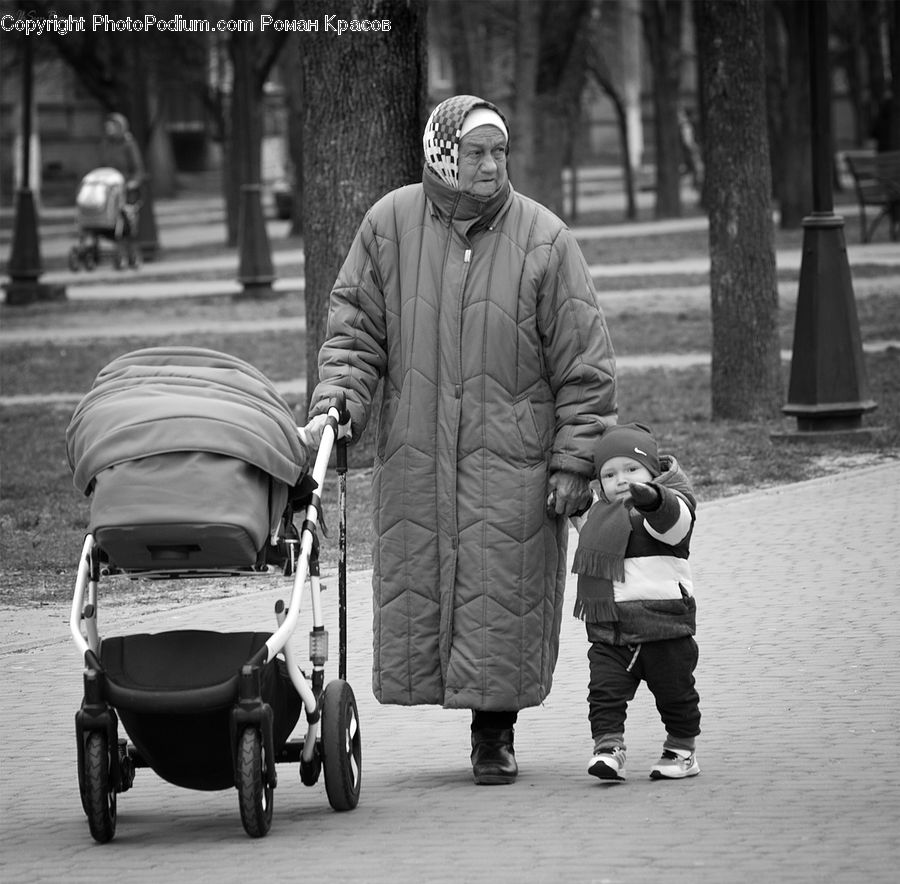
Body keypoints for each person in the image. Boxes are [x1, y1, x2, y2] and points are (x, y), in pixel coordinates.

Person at [302, 94, 617, 785]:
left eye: (499, 151)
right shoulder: (390, 224)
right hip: (418, 450)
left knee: (500, 590)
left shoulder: (545, 238)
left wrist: (573, 460)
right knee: (438, 585)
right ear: (442, 154)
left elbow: (584, 365)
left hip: (513, 458)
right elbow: (354, 331)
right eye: (475, 152)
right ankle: (456, 708)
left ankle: (493, 734)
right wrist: (339, 402)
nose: (490, 165)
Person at [570, 422, 701, 782]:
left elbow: (674, 523)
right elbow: (577, 516)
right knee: (603, 694)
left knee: (676, 695)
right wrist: (567, 499)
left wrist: (653, 500)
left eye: (631, 469)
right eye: (609, 474)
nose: (620, 479)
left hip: (664, 628)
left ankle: (681, 749)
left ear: (652, 472)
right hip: (611, 632)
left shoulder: (669, 508)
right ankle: (608, 749)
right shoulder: (598, 517)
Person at [100, 112, 146, 224]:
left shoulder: (128, 144)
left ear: (119, 127)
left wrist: (134, 181)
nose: (108, 129)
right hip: (109, 185)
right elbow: (102, 166)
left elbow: (138, 167)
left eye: (111, 126)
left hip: (124, 184)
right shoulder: (106, 144)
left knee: (125, 213)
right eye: (107, 127)